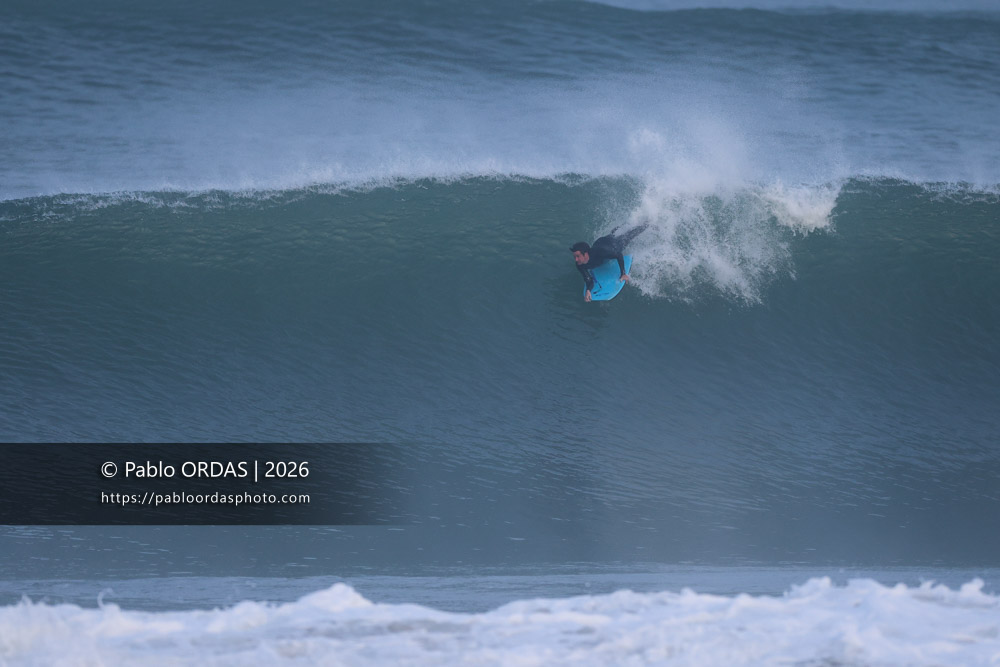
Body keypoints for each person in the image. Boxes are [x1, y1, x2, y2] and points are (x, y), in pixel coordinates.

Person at [570, 224, 648, 302]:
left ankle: (646, 224)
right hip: (601, 242)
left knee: (629, 236)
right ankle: (618, 229)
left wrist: (623, 274)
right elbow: (589, 280)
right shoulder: (580, 265)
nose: (576, 259)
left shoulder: (601, 253)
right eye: (575, 257)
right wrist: (588, 290)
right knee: (612, 234)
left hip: (611, 244)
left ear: (585, 254)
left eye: (578, 256)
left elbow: (618, 255)